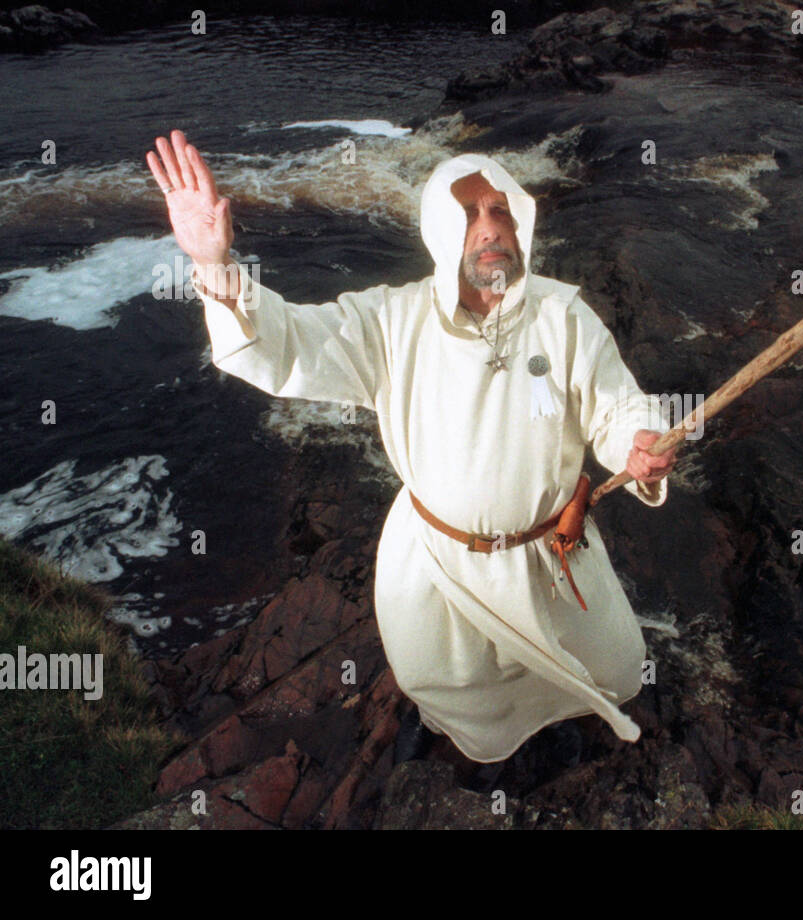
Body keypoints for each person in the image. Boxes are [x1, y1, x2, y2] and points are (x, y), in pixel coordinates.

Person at [146, 129, 677, 775]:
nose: (489, 228)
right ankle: (472, 748)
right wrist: (215, 266)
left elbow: (618, 405)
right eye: (469, 213)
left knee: (607, 667)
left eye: (499, 210)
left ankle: (562, 724)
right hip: (441, 568)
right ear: (438, 231)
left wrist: (639, 442)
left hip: (549, 559)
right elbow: (283, 345)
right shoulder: (389, 324)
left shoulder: (564, 318)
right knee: (455, 684)